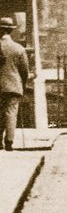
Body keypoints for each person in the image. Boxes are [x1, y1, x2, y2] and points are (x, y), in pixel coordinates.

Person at [0, 17, 29, 151]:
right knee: (10, 113)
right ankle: (9, 142)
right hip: (13, 86)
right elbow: (24, 71)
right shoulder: (18, 49)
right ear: (11, 31)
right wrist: (22, 85)